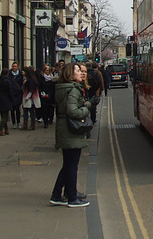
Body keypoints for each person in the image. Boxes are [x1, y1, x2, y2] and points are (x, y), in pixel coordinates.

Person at [49, 63, 99, 208]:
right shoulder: (73, 90)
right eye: (78, 71)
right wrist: (88, 106)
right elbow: (73, 111)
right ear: (71, 75)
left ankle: (57, 195)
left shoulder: (65, 88)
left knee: (68, 165)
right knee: (72, 166)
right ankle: (72, 198)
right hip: (70, 131)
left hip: (65, 130)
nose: (81, 73)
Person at [0, 68, 14, 136]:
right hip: (6, 100)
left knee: (3, 116)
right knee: (5, 117)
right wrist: (11, 99)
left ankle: (6, 130)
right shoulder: (7, 82)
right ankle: (0, 130)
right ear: (7, 73)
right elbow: (10, 92)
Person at [38, 64, 55, 128]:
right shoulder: (41, 78)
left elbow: (53, 88)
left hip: (51, 96)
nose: (47, 71)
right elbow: (39, 86)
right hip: (44, 96)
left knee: (50, 109)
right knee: (44, 109)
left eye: (48, 70)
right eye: (46, 70)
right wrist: (42, 93)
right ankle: (45, 122)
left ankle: (49, 119)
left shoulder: (52, 78)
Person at [8, 62, 24, 129]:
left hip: (18, 94)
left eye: (15, 66)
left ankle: (18, 122)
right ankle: (13, 123)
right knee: (12, 110)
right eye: (13, 66)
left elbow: (22, 84)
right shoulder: (9, 74)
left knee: (17, 109)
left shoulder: (20, 75)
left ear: (17, 67)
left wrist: (21, 89)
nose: (14, 67)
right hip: (11, 94)